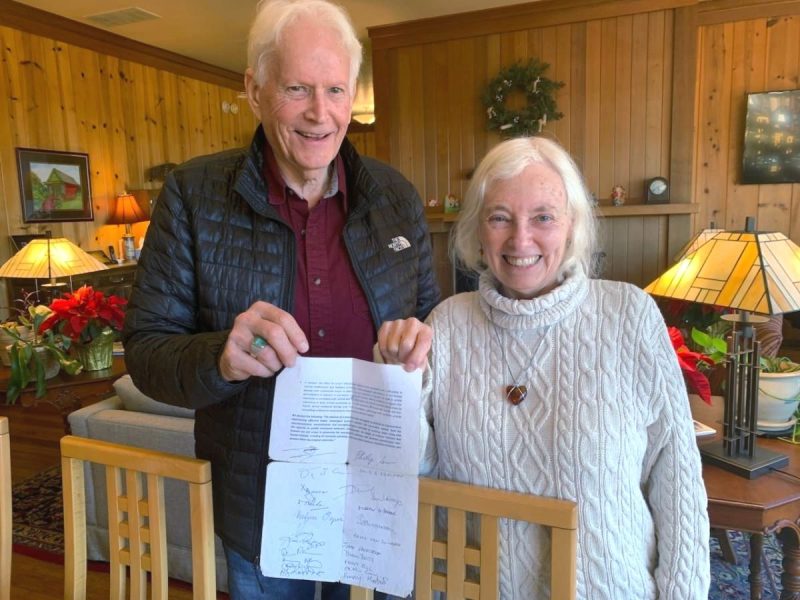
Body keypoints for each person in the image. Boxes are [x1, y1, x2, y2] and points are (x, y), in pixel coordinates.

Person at [122, 0, 440, 598]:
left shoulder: (395, 196)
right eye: (297, 88)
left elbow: (430, 319)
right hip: (261, 508)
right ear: (255, 89)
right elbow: (145, 351)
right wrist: (220, 357)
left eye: (336, 90)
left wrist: (420, 344)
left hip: (375, 498)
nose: (321, 114)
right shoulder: (193, 196)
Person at [378, 136, 710, 599]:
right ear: (478, 228)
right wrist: (398, 385)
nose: (520, 239)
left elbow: (677, 479)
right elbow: (419, 472)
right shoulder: (448, 324)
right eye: (499, 218)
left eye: (543, 217)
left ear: (572, 225)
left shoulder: (628, 316)